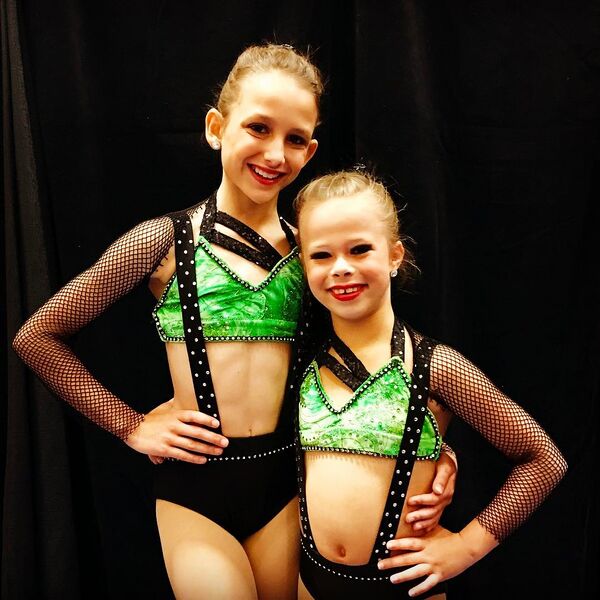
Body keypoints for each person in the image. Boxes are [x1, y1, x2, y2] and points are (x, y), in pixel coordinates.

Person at [12, 45, 456, 599]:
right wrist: (129, 424)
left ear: (310, 151)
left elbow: (374, 363)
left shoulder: (313, 257)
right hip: (196, 492)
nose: (274, 153)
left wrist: (434, 452)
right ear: (216, 128)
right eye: (258, 128)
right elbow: (38, 335)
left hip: (285, 489)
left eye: (294, 139)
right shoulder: (166, 242)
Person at [293, 170, 567, 599]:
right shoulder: (302, 360)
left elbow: (543, 460)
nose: (341, 268)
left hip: (403, 587)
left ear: (394, 255)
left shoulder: (434, 366)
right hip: (309, 584)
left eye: (360, 249)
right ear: (304, 264)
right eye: (321, 255)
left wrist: (465, 547)